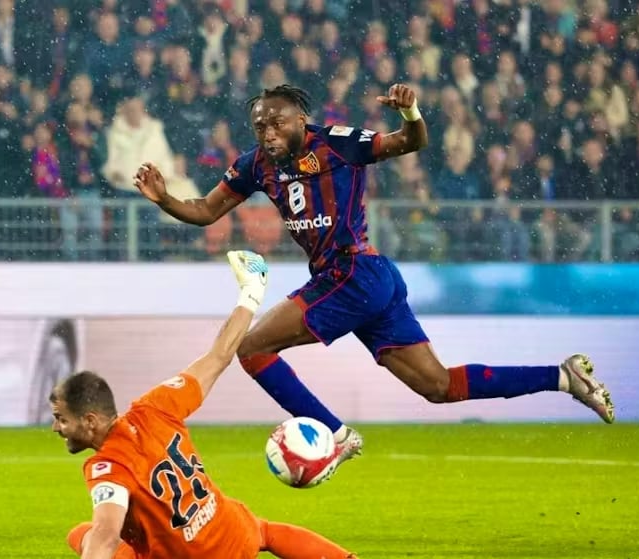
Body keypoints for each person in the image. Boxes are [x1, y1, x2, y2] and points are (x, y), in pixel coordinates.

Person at [132, 84, 614, 468]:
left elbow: (411, 141)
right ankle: (563, 377)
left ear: (301, 120)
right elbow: (206, 210)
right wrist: (165, 199)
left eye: (277, 123)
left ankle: (334, 435)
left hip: (353, 272)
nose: (268, 133)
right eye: (260, 126)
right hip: (364, 279)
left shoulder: (337, 143)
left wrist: (411, 113)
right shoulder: (255, 166)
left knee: (252, 348)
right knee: (438, 386)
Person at [51, 250, 357, 559]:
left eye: (61, 419)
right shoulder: (156, 407)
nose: (55, 427)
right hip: (230, 533)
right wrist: (251, 292)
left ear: (90, 421)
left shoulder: (108, 467)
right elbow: (219, 356)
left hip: (187, 555)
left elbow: (106, 536)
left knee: (88, 535)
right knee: (263, 531)